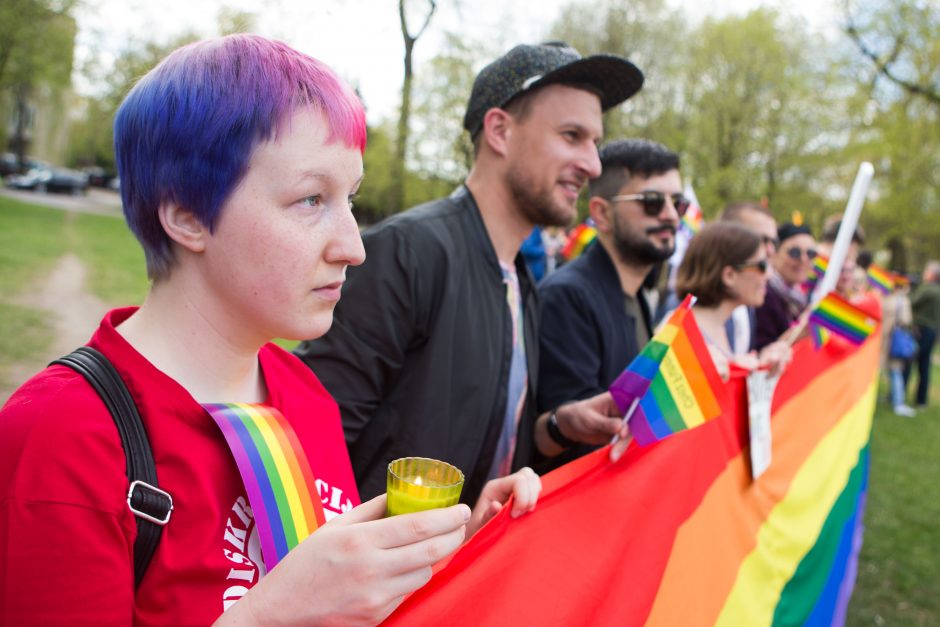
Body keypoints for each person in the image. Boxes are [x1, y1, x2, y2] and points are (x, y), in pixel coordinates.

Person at [0, 35, 540, 625]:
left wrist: (446, 551)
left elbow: (331, 597)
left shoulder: (300, 391)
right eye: (310, 199)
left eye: (350, 199)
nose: (354, 247)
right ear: (185, 214)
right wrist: (268, 617)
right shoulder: (59, 437)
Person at [294, 42, 643, 504]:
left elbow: (486, 441)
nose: (592, 164)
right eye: (572, 135)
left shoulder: (522, 281)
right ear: (500, 131)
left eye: (594, 142)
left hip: (467, 570)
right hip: (393, 573)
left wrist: (556, 427)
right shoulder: (410, 251)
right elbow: (310, 444)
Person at [536, 139, 685, 469]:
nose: (671, 215)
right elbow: (567, 446)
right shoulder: (567, 296)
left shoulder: (635, 293)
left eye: (678, 203)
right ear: (602, 213)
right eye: (651, 201)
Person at [675, 223, 792, 379]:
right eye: (762, 266)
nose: (769, 275)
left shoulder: (729, 325)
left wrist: (760, 366)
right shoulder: (679, 334)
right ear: (729, 275)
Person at [718, 201, 779, 354]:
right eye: (762, 240)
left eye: (773, 242)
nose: (770, 250)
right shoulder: (692, 308)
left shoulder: (747, 303)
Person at [754, 222, 816, 349]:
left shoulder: (797, 297)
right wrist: (802, 329)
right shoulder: (763, 294)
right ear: (775, 253)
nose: (804, 260)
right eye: (795, 252)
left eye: (810, 253)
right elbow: (760, 353)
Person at [904, 261, 940, 407]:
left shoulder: (927, 289)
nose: (924, 273)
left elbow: (911, 302)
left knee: (908, 361)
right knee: (924, 366)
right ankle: (921, 401)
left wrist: (907, 290)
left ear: (932, 275)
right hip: (932, 331)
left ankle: (897, 395)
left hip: (920, 330)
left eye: (927, 271)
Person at [883, 279, 917, 416]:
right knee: (896, 372)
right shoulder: (903, 301)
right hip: (895, 340)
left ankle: (891, 397)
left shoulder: (886, 299)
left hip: (884, 338)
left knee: (890, 371)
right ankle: (898, 403)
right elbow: (906, 320)